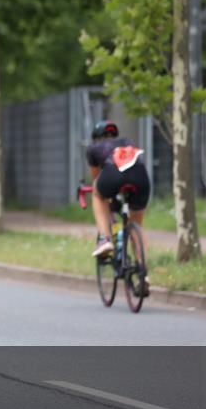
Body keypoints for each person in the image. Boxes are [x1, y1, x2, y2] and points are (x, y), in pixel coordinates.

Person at [85, 120, 152, 289]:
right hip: (140, 176)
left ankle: (105, 239)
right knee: (136, 225)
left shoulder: (93, 148)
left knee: (97, 194)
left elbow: (97, 177)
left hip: (112, 175)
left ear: (96, 138)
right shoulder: (126, 142)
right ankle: (143, 273)